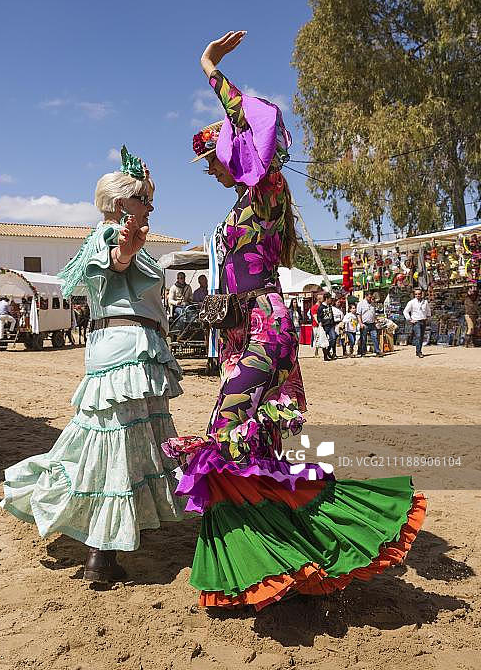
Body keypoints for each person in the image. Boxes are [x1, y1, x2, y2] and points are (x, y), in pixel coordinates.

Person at [163, 30, 426, 610]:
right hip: (243, 330)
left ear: (236, 151)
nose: (210, 172)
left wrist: (209, 66)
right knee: (255, 446)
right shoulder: (245, 204)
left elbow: (253, 119)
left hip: (265, 325)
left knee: (224, 435)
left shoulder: (266, 189)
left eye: (211, 161)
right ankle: (292, 560)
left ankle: (279, 552)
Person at [0, 149, 185, 582]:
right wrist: (125, 249)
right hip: (125, 352)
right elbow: (114, 261)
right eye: (144, 200)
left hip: (127, 349)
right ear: (122, 204)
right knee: (117, 446)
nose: (151, 208)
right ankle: (101, 552)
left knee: (123, 442)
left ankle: (115, 536)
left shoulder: (111, 235)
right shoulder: (110, 235)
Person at [403, 288, 431, 357]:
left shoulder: (425, 302)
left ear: (422, 294)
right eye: (416, 294)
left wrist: (428, 317)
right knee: (418, 336)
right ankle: (419, 352)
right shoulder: (411, 302)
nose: (418, 295)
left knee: (421, 337)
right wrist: (410, 319)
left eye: (419, 294)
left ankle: (418, 350)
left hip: (423, 321)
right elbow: (405, 311)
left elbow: (428, 310)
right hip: (416, 322)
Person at [357, 291, 382, 357]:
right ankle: (362, 352)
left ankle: (377, 351)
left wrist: (376, 321)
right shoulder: (361, 304)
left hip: (372, 323)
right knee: (363, 338)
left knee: (375, 337)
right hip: (364, 324)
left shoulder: (372, 304)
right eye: (369, 297)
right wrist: (361, 323)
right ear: (366, 296)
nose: (370, 299)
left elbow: (373, 313)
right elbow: (358, 314)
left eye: (371, 297)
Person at [317, 292, 338, 360]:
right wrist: (320, 322)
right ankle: (325, 356)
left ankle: (328, 351)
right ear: (326, 299)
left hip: (331, 325)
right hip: (324, 326)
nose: (331, 300)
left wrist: (333, 323)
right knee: (323, 341)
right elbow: (318, 316)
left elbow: (331, 315)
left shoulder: (330, 306)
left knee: (333, 338)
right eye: (330, 298)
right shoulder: (321, 307)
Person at [310, 292, 324, 357]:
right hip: (316, 325)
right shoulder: (314, 307)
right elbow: (315, 317)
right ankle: (316, 352)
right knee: (317, 338)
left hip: (321, 324)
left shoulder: (322, 306)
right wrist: (320, 323)